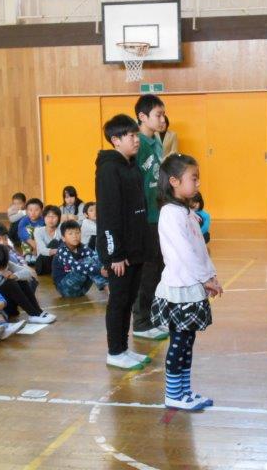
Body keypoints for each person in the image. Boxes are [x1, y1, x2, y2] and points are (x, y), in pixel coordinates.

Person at [151, 153, 223, 411]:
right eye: (193, 178)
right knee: (179, 343)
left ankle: (184, 391)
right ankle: (173, 394)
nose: (198, 183)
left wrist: (211, 275)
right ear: (174, 181)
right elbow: (185, 252)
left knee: (187, 343)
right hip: (179, 289)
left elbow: (199, 249)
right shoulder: (170, 213)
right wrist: (205, 279)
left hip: (192, 287)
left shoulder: (186, 211)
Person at [96, 114, 150, 370]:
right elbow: (108, 214)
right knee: (118, 301)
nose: (136, 140)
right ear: (116, 140)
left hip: (135, 248)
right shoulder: (109, 169)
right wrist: (114, 254)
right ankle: (114, 351)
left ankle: (124, 347)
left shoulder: (131, 165)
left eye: (136, 134)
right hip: (119, 253)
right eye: (130, 136)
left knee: (129, 300)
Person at [131, 94, 170, 341]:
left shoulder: (156, 140)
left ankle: (153, 317)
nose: (162, 119)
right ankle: (141, 322)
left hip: (158, 215)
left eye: (163, 114)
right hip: (144, 219)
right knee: (147, 272)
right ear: (142, 117)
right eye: (158, 114)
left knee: (158, 270)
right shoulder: (137, 143)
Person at [0, 244, 55, 324]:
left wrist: (14, 276)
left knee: (20, 280)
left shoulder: (7, 264)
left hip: (8, 304)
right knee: (10, 283)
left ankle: (38, 311)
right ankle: (33, 314)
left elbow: (27, 273)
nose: (3, 268)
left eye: (4, 265)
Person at [52, 220, 108, 298]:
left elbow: (96, 257)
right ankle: (107, 288)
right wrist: (99, 270)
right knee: (88, 262)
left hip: (82, 290)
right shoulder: (62, 250)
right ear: (63, 238)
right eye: (70, 233)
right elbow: (76, 266)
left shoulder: (82, 247)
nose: (75, 236)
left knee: (96, 260)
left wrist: (105, 267)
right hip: (65, 289)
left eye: (77, 233)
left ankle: (109, 286)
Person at [34, 205, 61, 275]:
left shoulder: (60, 230)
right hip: (42, 265)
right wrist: (60, 251)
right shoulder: (38, 231)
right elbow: (42, 250)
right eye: (48, 216)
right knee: (55, 242)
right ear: (44, 218)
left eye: (54, 216)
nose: (51, 219)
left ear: (59, 219)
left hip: (55, 263)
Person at [18, 198, 45, 265]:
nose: (33, 213)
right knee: (27, 229)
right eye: (30, 210)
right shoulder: (24, 220)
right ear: (26, 211)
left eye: (36, 210)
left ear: (41, 211)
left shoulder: (43, 220)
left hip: (38, 244)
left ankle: (35, 255)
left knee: (40, 230)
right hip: (28, 242)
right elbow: (21, 232)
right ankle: (27, 254)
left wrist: (36, 248)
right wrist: (31, 242)